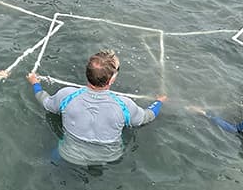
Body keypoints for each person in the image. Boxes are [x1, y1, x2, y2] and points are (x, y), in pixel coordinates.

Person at [27, 50, 167, 165]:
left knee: (51, 160)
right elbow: (147, 117)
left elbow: (45, 102)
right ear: (111, 80)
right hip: (110, 157)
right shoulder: (125, 105)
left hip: (69, 155)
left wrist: (35, 83)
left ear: (87, 73)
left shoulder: (66, 95)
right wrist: (159, 102)